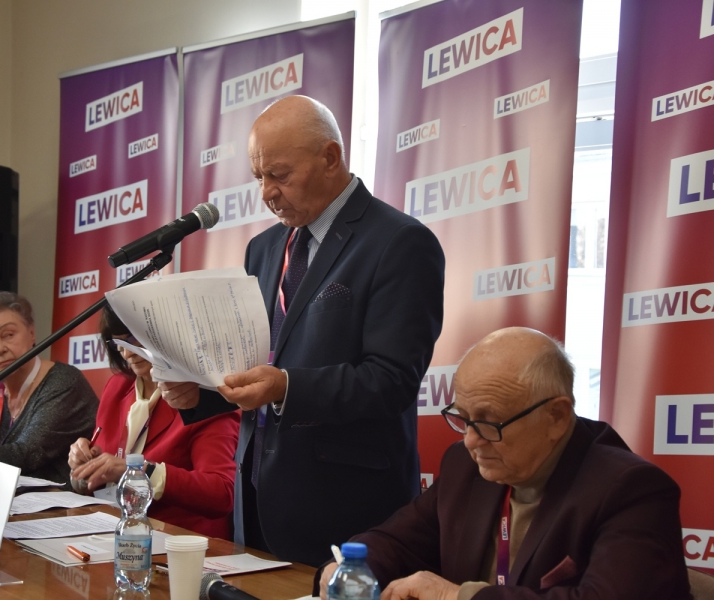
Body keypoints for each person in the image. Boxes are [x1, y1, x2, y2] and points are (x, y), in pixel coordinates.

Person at [160, 95, 445, 565]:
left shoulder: (399, 242)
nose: (266, 193)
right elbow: (258, 364)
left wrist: (286, 387)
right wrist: (200, 395)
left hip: (345, 511)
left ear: (330, 158)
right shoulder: (263, 248)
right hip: (255, 501)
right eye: (259, 177)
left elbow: (391, 380)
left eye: (279, 175)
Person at [317, 327, 691, 600]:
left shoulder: (632, 490)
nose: (470, 440)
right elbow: (397, 541)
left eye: (489, 422)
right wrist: (348, 571)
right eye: (463, 418)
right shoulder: (465, 466)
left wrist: (456, 597)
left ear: (556, 417)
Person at [67, 306, 239, 539]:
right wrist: (84, 465)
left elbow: (221, 494)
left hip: (179, 544)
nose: (127, 354)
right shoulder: (117, 386)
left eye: (134, 340)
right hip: (111, 532)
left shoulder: (204, 396)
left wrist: (141, 472)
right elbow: (103, 474)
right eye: (118, 343)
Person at [0, 291, 98, 484]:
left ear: (31, 334)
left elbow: (26, 454)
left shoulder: (64, 382)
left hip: (57, 501)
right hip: (0, 498)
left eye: (8, 335)